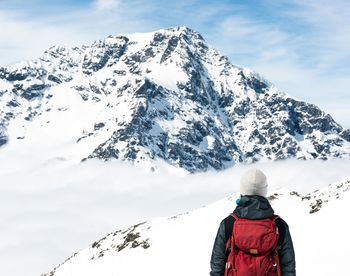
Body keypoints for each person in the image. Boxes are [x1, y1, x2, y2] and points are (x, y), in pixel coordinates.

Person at [210, 168, 296, 276]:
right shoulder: (279, 225)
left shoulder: (229, 224)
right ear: (264, 191)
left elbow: (217, 263)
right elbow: (288, 267)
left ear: (242, 190)